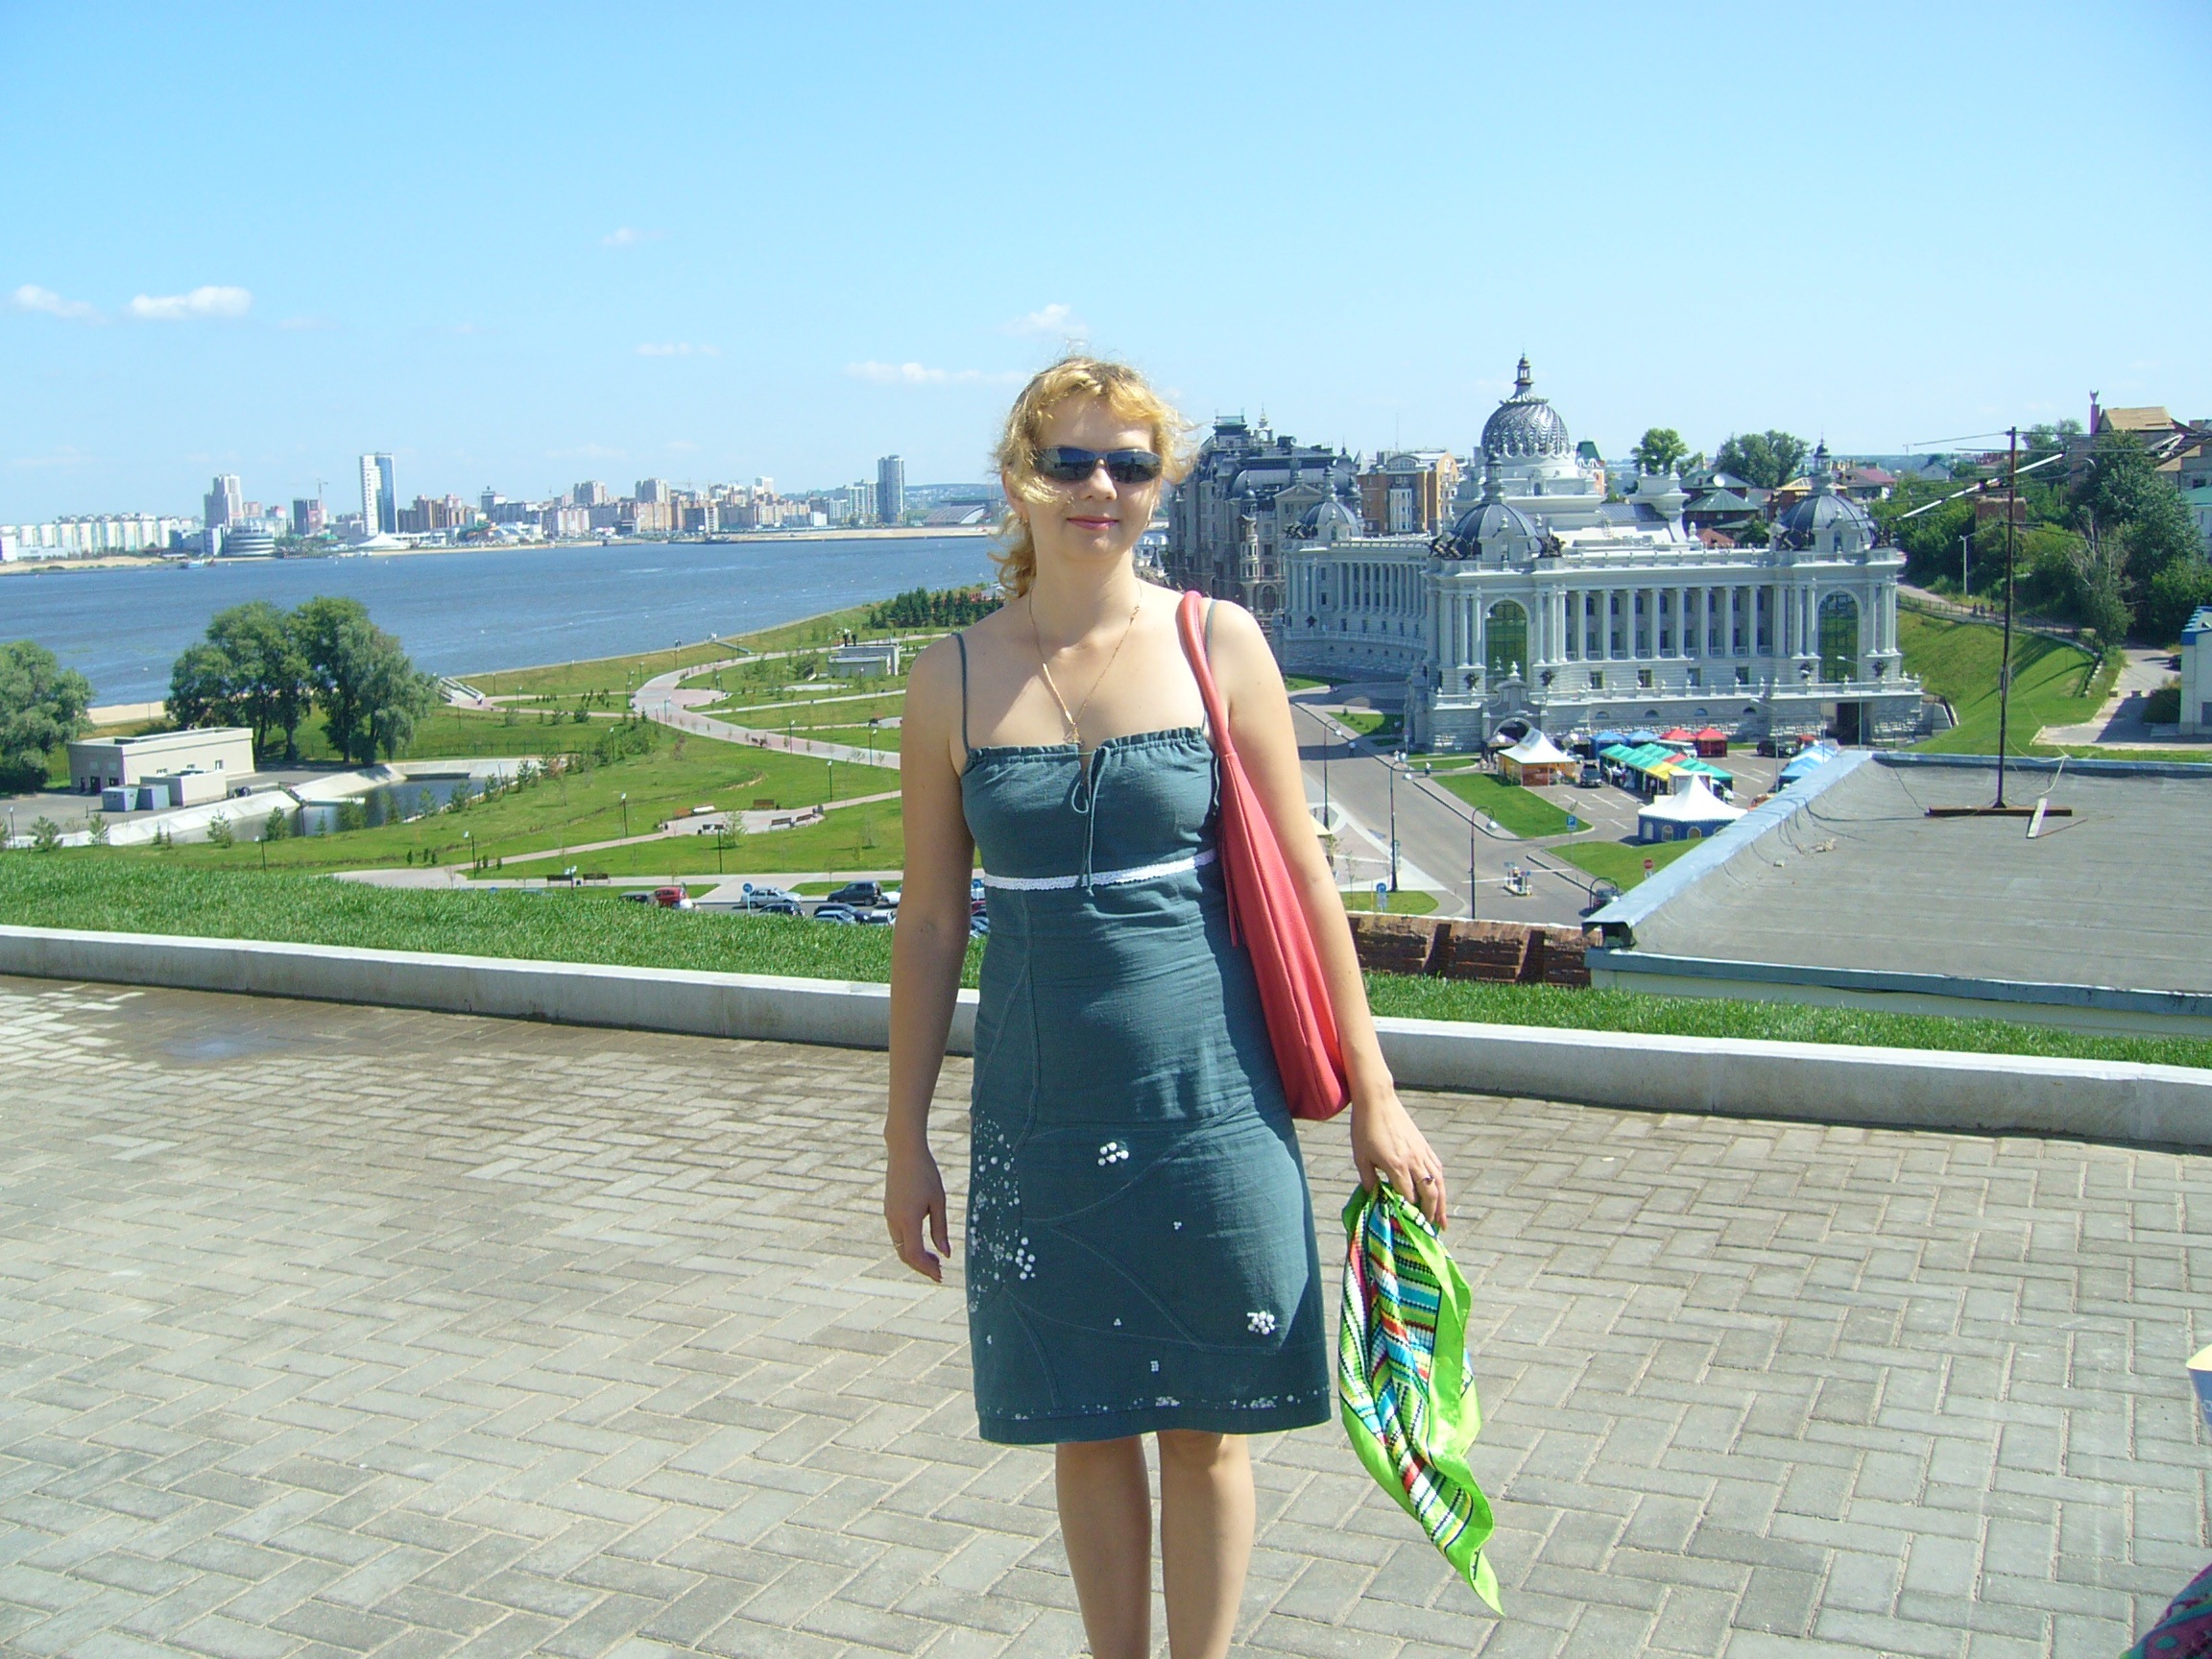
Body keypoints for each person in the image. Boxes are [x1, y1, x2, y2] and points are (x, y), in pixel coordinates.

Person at [885, 356, 1448, 1659]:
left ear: (1160, 488)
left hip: (1214, 1108)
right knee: (1085, 1427)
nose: (1101, 487)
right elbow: (927, 928)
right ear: (1019, 479)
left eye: (1131, 465)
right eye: (1070, 461)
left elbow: (1304, 880)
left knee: (1206, 1429)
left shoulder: (1217, 641)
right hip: (1041, 1116)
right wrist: (904, 1137)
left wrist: (1377, 1095)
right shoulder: (950, 680)